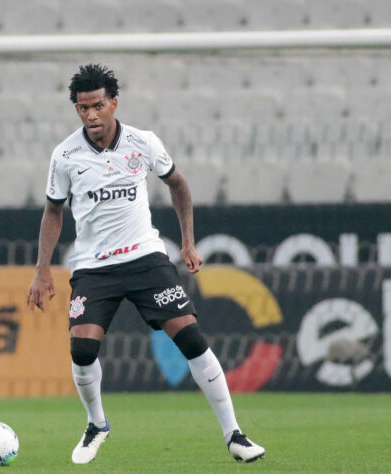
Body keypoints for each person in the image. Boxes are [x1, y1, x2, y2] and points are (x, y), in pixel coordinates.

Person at [26, 64, 265, 465]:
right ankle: (97, 423)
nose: (91, 115)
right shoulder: (65, 155)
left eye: (98, 105)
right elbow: (53, 212)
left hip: (145, 260)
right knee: (82, 350)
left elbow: (179, 186)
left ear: (114, 103)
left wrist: (188, 242)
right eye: (82, 108)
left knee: (191, 339)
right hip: (93, 267)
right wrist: (41, 270)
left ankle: (234, 435)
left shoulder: (143, 143)